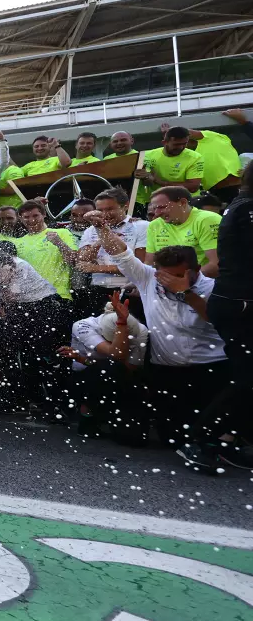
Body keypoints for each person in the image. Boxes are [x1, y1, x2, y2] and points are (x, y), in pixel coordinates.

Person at [88, 211, 229, 449]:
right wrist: (102, 228)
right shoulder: (149, 279)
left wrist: (185, 292)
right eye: (165, 275)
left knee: (209, 438)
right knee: (171, 439)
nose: (170, 281)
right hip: (167, 370)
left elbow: (216, 319)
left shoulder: (214, 287)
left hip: (210, 370)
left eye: (178, 275)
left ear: (195, 269)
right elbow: (122, 253)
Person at [177, 161, 253, 472]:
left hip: (237, 301)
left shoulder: (241, 207)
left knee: (245, 378)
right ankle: (198, 439)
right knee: (246, 378)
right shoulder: (246, 210)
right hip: (240, 303)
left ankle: (228, 438)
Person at [0, 246, 69, 413]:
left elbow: (10, 297)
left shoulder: (18, 265)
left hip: (42, 307)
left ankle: (54, 405)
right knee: (8, 353)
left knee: (40, 355)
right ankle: (19, 398)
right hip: (20, 309)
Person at [58, 292, 149, 443]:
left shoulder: (140, 330)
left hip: (120, 381)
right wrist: (121, 326)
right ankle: (88, 415)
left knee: (133, 438)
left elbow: (131, 367)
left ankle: (116, 416)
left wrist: (83, 358)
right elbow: (117, 354)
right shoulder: (83, 325)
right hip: (87, 380)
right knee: (108, 367)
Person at [76, 188, 149, 317]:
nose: (104, 214)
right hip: (98, 289)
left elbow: (140, 265)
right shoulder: (91, 230)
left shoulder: (141, 226)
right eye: (100, 210)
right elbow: (83, 260)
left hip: (128, 289)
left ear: (125, 206)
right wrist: (100, 239)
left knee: (131, 332)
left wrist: (97, 268)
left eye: (110, 209)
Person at [0, 200, 78, 300]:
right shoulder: (17, 242)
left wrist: (59, 243)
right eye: (26, 217)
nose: (31, 220)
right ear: (20, 218)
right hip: (27, 299)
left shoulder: (62, 233)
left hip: (57, 296)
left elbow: (74, 260)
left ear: (44, 214)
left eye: (35, 216)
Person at [145, 186, 220, 278]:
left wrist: (181, 280)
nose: (157, 213)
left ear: (183, 203)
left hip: (203, 283)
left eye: (162, 207)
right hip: (165, 284)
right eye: (155, 208)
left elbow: (217, 264)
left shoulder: (207, 220)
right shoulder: (154, 225)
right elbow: (149, 263)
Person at [164, 122, 242, 203]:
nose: (181, 146)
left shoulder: (213, 137)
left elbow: (185, 133)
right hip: (216, 192)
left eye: (183, 142)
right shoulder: (192, 155)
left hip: (232, 186)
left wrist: (170, 132)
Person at [134, 126, 204, 209]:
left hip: (186, 202)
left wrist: (160, 182)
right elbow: (148, 182)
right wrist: (144, 177)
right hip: (158, 203)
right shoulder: (147, 155)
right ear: (164, 142)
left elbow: (193, 187)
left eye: (184, 143)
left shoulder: (195, 157)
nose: (181, 147)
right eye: (176, 144)